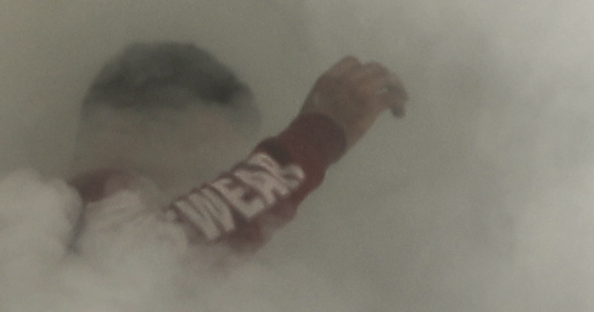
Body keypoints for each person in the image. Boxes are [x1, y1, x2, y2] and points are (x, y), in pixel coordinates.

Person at [64, 39, 408, 254]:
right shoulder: (63, 222)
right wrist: (315, 139)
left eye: (220, 175)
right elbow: (149, 257)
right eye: (200, 166)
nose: (207, 190)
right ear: (123, 126)